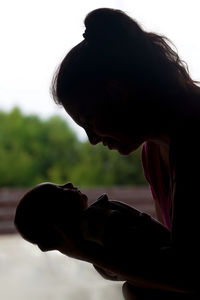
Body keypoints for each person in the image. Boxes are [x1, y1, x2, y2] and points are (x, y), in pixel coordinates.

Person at [51, 8, 200, 299]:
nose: (92, 139)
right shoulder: (154, 153)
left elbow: (190, 274)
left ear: (118, 93)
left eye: (89, 120)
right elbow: (175, 252)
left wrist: (80, 249)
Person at [14, 181, 170, 263]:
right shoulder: (94, 224)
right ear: (56, 221)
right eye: (61, 190)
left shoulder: (97, 221)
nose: (68, 184)